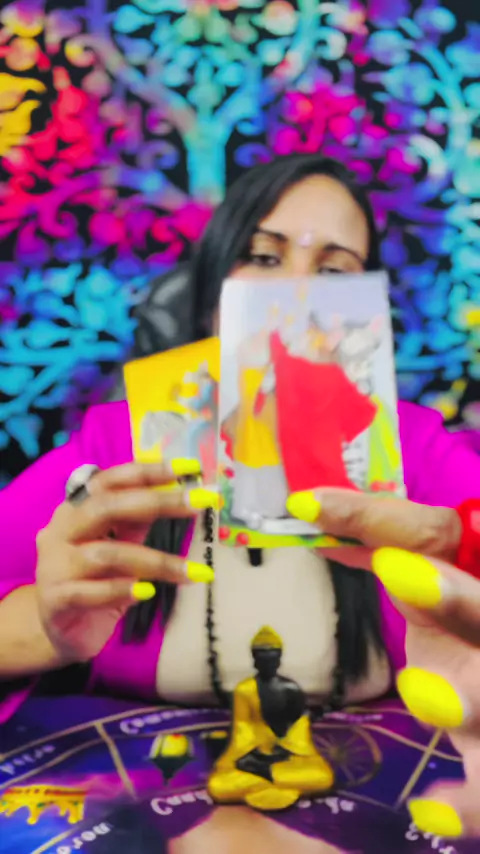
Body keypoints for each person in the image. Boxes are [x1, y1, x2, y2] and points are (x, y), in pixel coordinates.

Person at [1, 154, 480, 839]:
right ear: (211, 294)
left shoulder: (416, 451)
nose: (295, 290)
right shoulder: (115, 450)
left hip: (368, 793)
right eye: (263, 257)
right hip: (138, 793)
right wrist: (45, 626)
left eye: (334, 272)